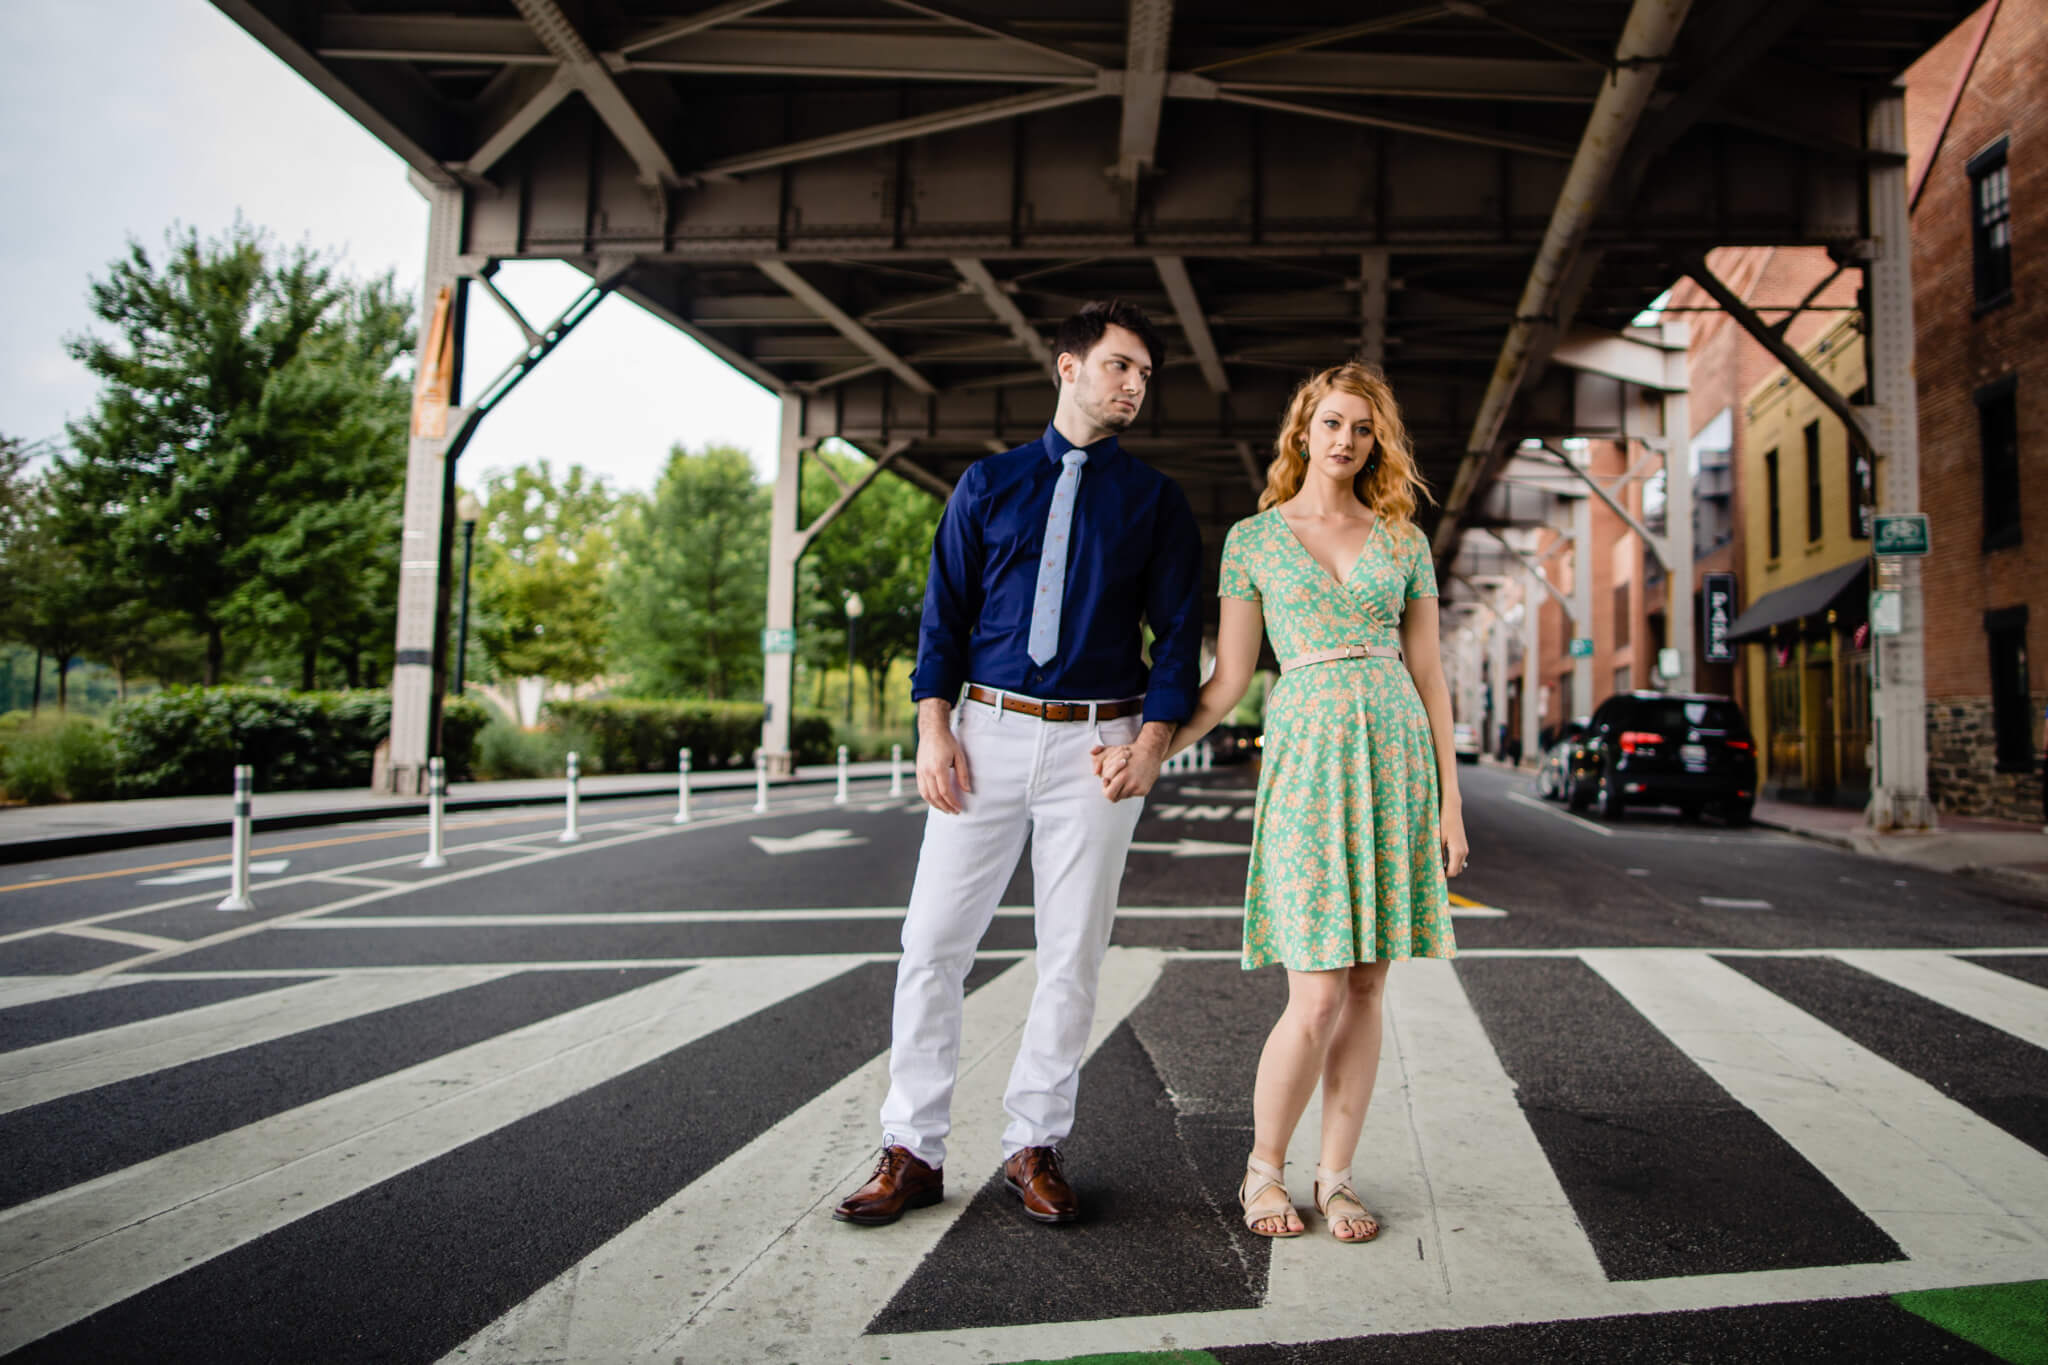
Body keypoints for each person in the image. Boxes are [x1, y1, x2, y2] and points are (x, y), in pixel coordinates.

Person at [833, 301, 1203, 1228]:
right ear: (1067, 367)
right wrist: (933, 726)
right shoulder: (986, 484)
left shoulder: (1154, 501)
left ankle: (1032, 1144)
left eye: (1146, 376)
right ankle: (912, 1148)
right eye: (1121, 366)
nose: (1134, 386)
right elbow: (942, 617)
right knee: (931, 945)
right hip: (985, 733)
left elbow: (1178, 639)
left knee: (1070, 953)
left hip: (1098, 745)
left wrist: (1151, 745)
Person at [1099, 359, 1467, 1242]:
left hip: (1394, 759)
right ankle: (1264, 1167)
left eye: (1364, 428)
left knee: (1370, 987)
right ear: (1304, 431)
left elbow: (1430, 675)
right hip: (1306, 763)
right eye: (1333, 423)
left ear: (1378, 442)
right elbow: (1226, 682)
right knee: (1316, 994)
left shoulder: (1403, 540)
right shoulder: (1253, 540)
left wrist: (1451, 803)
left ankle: (1336, 1177)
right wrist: (1155, 747)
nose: (1347, 440)